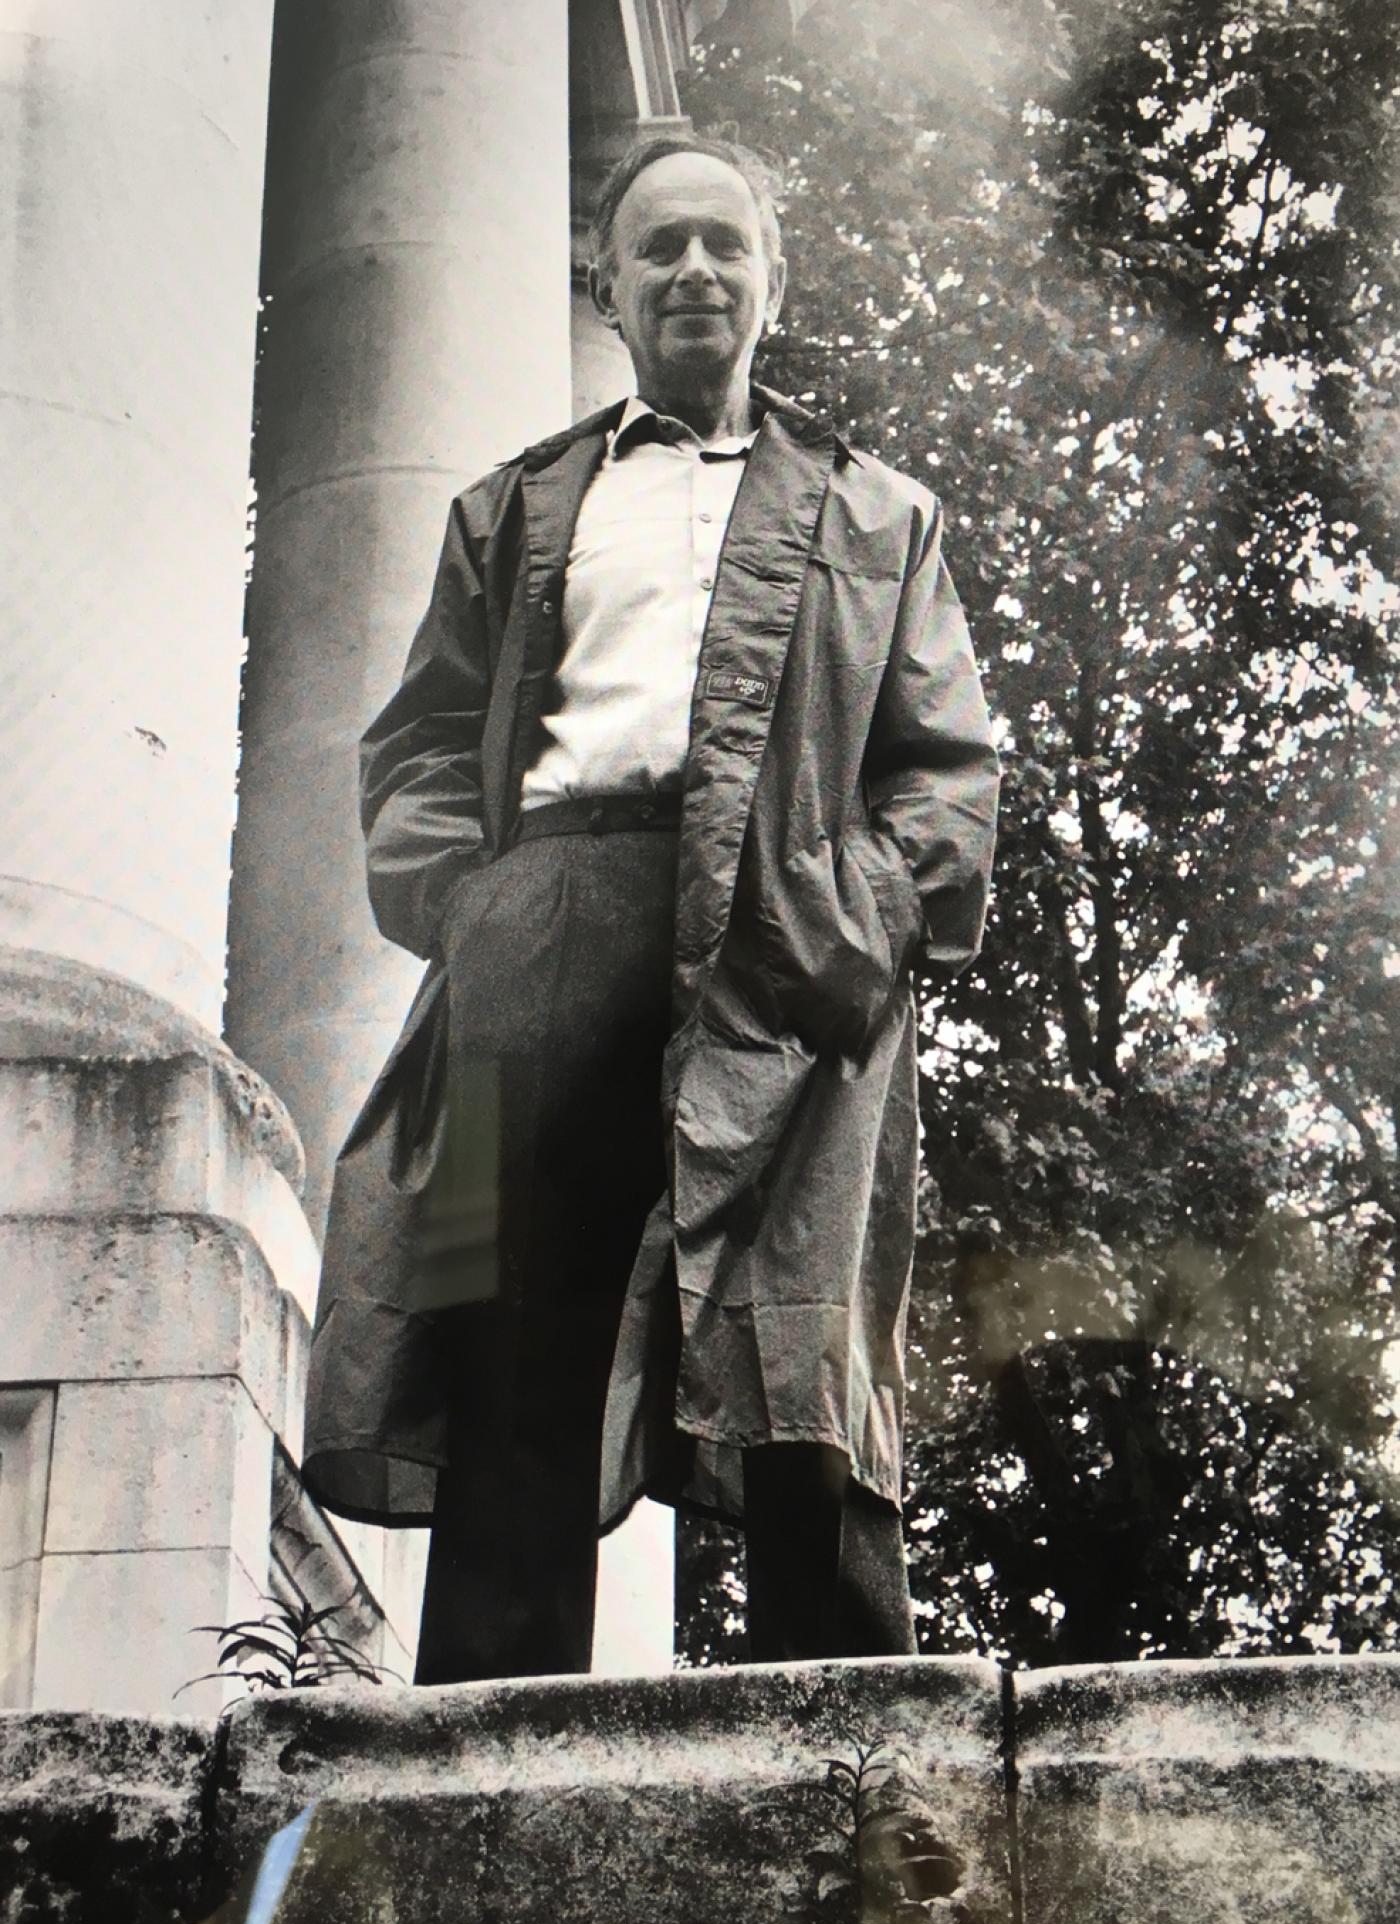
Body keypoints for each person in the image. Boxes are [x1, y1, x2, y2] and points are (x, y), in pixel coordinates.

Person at [301, 134, 1000, 1682]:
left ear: (773, 281)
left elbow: (946, 779)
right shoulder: (512, 509)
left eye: (724, 246)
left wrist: (857, 926)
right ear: (606, 287)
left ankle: (846, 1754)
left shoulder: (884, 517)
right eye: (659, 248)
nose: (694, 270)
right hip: (536, 925)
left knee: (801, 1343)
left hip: (790, 941)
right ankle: (482, 1778)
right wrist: (473, 908)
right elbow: (421, 741)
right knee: (503, 1329)